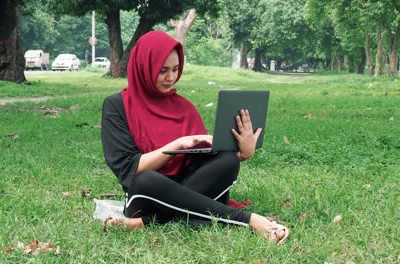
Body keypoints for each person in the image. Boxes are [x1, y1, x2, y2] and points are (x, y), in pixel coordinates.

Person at [101, 31, 289, 244]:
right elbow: (128, 169)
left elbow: (204, 162)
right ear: (144, 68)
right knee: (147, 179)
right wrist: (178, 144)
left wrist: (243, 153)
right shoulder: (116, 106)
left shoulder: (184, 107)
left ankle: (145, 223)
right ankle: (250, 221)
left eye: (175, 69)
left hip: (191, 185)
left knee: (228, 159)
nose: (171, 78)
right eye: (162, 71)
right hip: (149, 193)